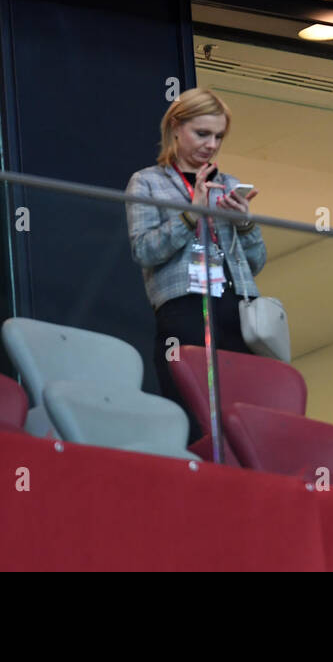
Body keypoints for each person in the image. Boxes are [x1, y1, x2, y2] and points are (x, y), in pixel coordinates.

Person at [126, 88, 266, 438]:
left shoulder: (229, 184)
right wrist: (191, 216)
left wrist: (244, 223)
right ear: (176, 128)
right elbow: (144, 251)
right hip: (184, 309)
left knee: (245, 415)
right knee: (197, 415)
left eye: (219, 136)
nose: (211, 145)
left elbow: (257, 261)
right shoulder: (148, 181)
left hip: (237, 309)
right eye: (202, 133)